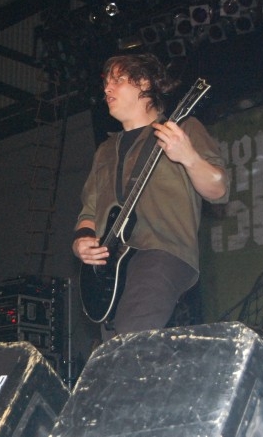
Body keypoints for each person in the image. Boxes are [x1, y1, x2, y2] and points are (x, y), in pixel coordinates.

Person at [72, 53, 229, 339]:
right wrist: (82, 241)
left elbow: (218, 190)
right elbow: (89, 211)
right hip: (112, 264)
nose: (107, 89)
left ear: (144, 83)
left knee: (131, 334)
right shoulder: (105, 151)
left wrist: (188, 157)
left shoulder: (183, 128)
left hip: (161, 248)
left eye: (118, 80)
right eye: (105, 83)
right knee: (114, 348)